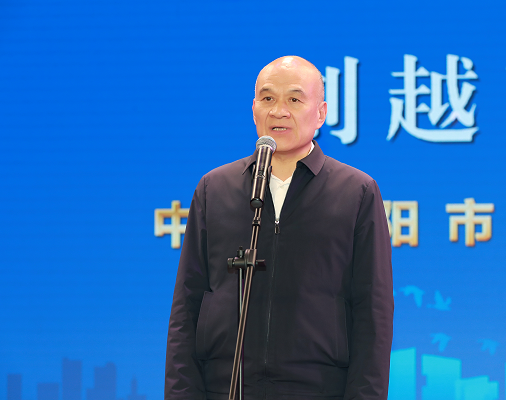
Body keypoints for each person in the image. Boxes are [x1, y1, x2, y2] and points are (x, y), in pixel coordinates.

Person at [165, 56, 394, 400]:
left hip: (318, 390)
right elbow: (187, 304)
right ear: (253, 109)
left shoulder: (356, 192)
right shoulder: (215, 188)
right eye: (268, 98)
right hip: (225, 387)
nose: (279, 111)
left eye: (294, 99)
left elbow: (373, 312)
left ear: (321, 113)